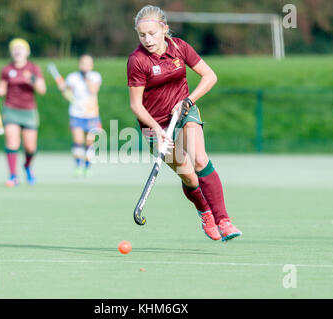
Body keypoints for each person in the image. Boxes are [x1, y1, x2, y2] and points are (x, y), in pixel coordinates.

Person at [127, 5, 242, 241]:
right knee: (189, 177)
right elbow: (136, 106)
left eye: (152, 33)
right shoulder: (137, 60)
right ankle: (205, 213)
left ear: (164, 30)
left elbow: (210, 76)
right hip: (153, 124)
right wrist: (157, 131)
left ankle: (224, 221)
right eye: (142, 35)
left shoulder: (180, 47)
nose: (147, 39)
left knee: (200, 159)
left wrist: (188, 101)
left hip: (183, 112)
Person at [0, 38, 46, 186]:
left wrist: (31, 79)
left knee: (30, 147)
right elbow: (1, 91)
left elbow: (42, 90)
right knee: (12, 143)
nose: (18, 51)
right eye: (15, 48)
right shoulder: (7, 70)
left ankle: (27, 166)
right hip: (10, 109)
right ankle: (13, 176)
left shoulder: (33, 68)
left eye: (21, 48)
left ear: (27, 52)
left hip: (29, 111)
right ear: (11, 52)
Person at [56, 54, 102, 177]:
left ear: (92, 65)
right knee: (78, 140)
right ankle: (78, 165)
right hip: (76, 114)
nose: (85, 65)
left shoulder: (95, 76)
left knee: (89, 142)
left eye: (88, 63)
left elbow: (93, 91)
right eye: (83, 63)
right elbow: (68, 95)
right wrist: (63, 89)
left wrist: (86, 78)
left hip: (92, 114)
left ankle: (88, 167)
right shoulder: (72, 77)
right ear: (79, 64)